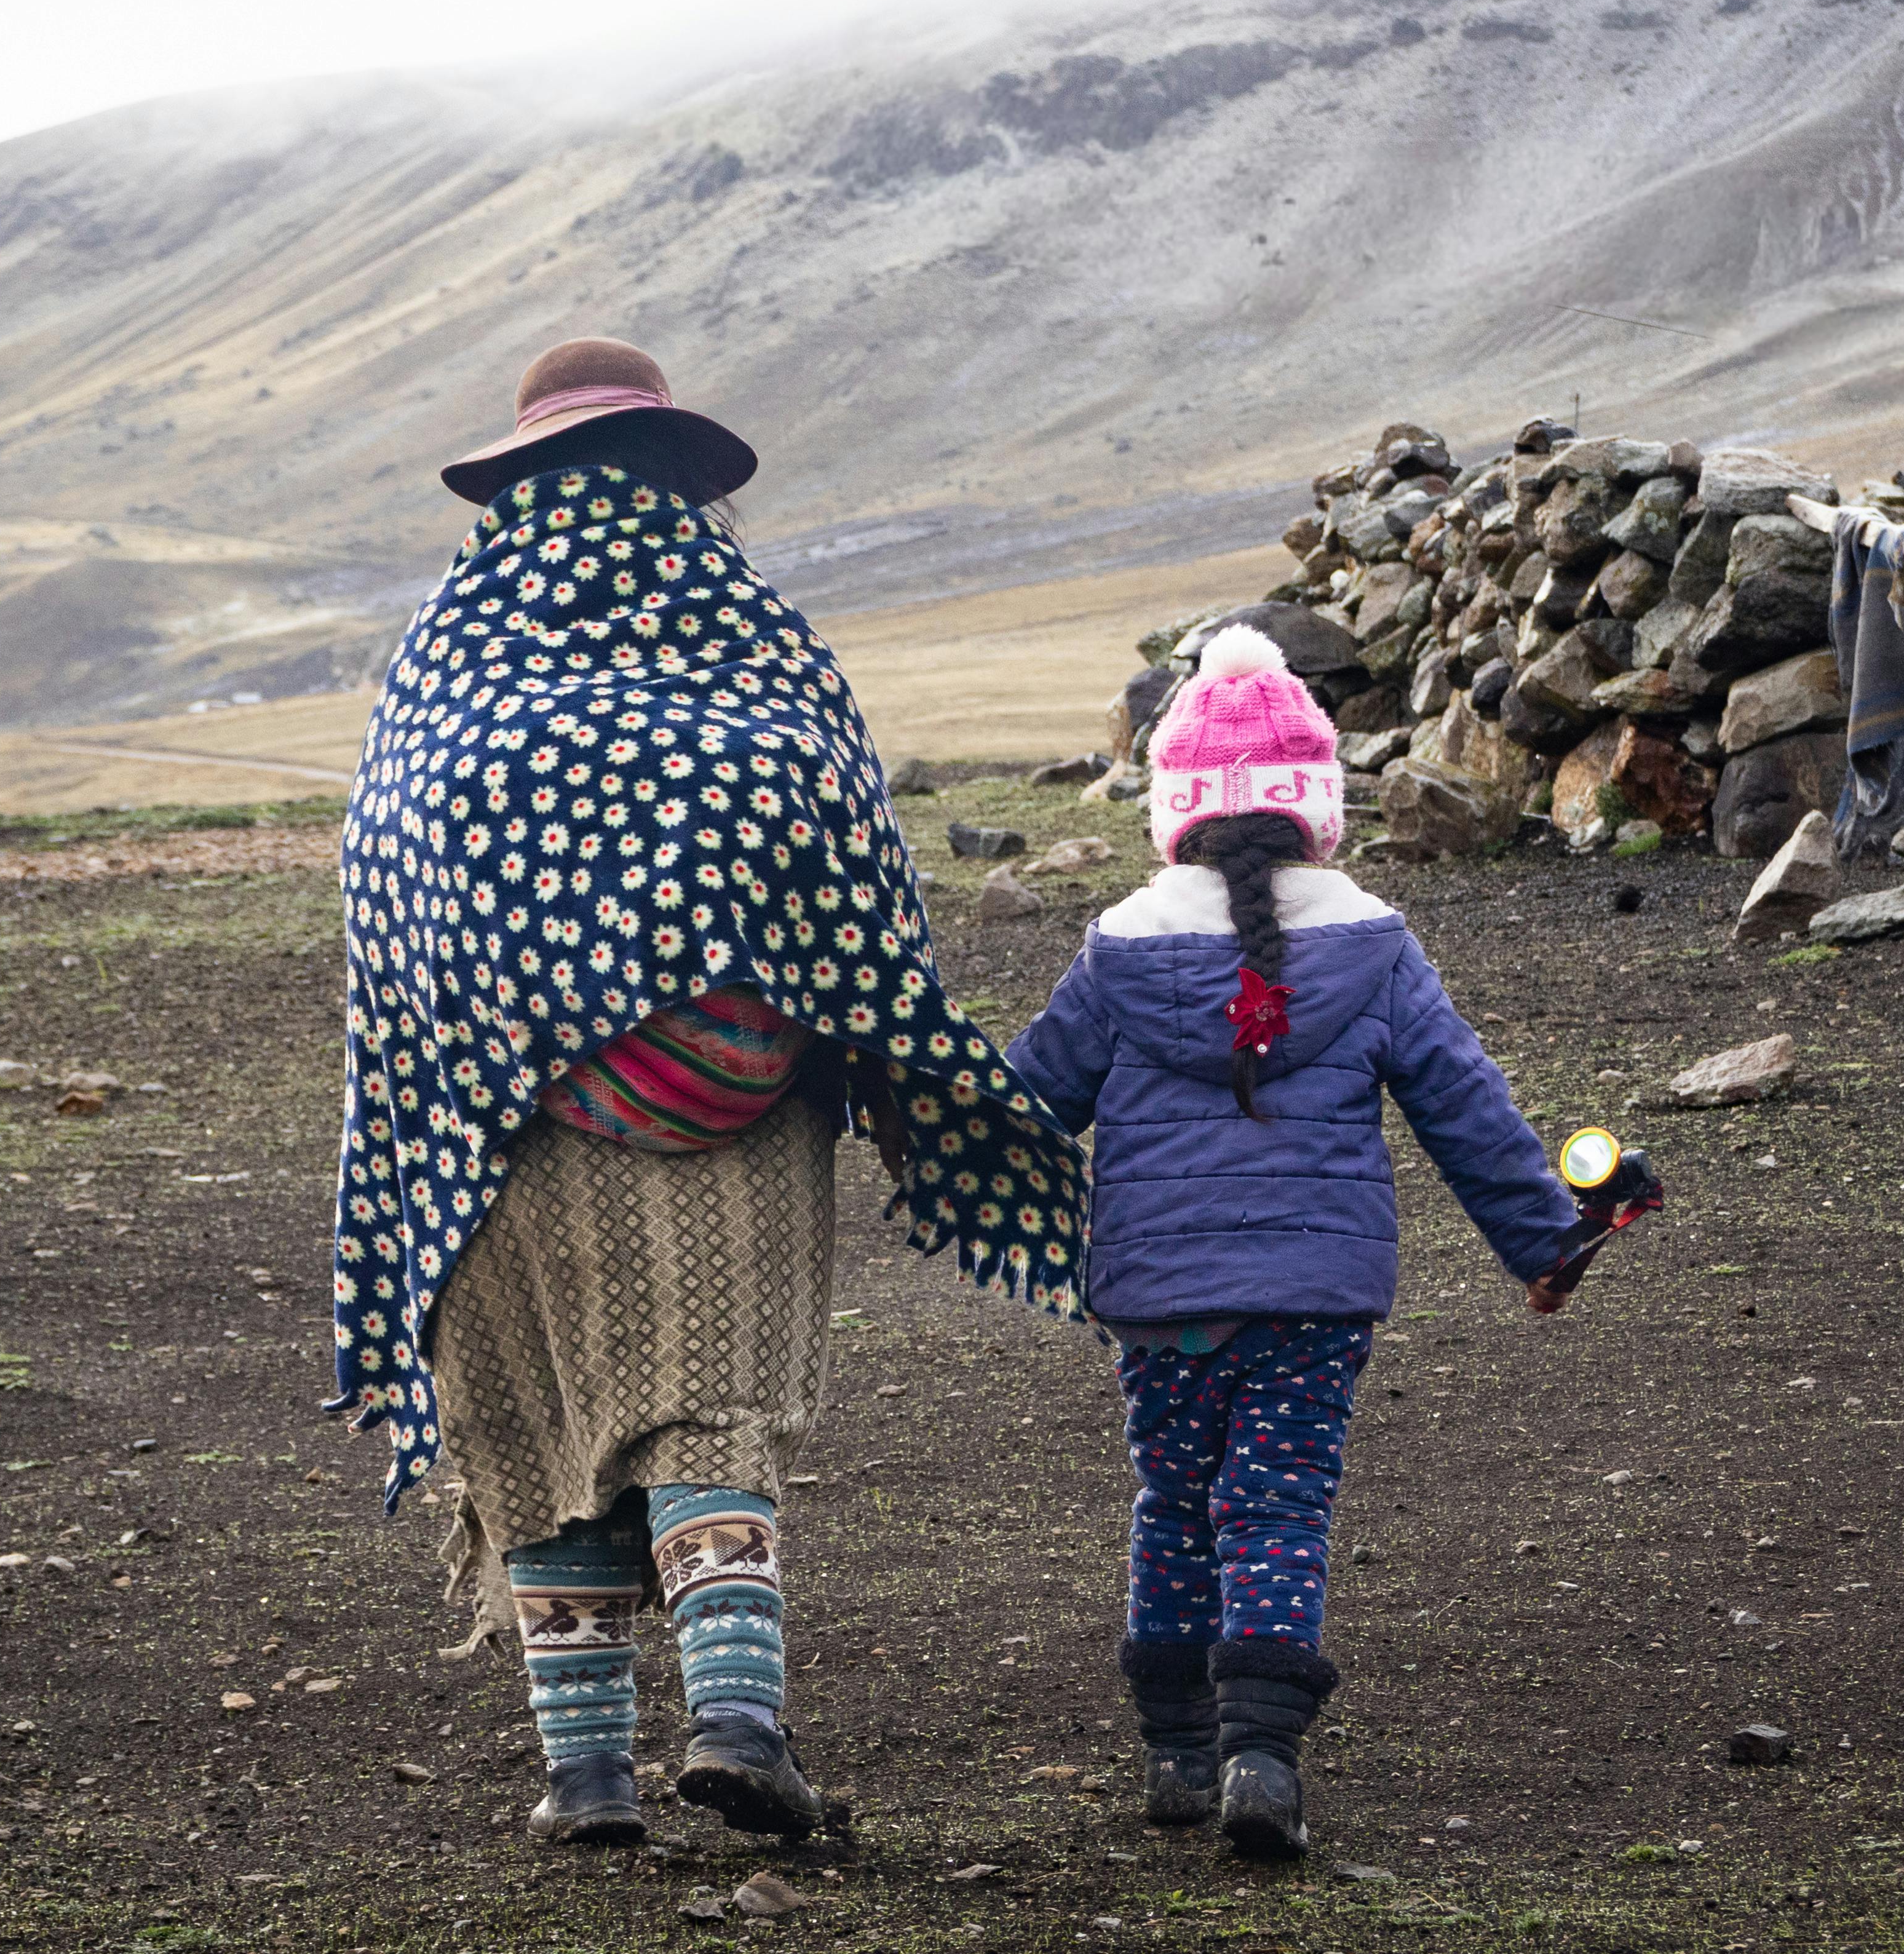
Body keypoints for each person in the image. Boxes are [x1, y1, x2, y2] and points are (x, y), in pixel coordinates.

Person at [328, 337, 1085, 1846]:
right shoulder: (762, 654)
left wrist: (493, 1053)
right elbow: (860, 892)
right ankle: (735, 1724)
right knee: (704, 1409)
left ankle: (588, 1779)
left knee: (541, 1427)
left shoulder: (440, 687)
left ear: (516, 488)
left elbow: (384, 916)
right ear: (683, 482)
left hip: (499, 1139)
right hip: (733, 1124)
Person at [1006, 624, 1594, 1859]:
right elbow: (1464, 1107)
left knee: (1174, 1501)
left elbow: (1026, 1106)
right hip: (1316, 1299)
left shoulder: (1117, 951)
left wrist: (922, 1144)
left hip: (1158, 1297)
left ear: (1178, 808)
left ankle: (1174, 1754)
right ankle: (1259, 1758)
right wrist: (1544, 1243)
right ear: (1314, 804)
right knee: (1276, 1510)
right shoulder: (1375, 945)